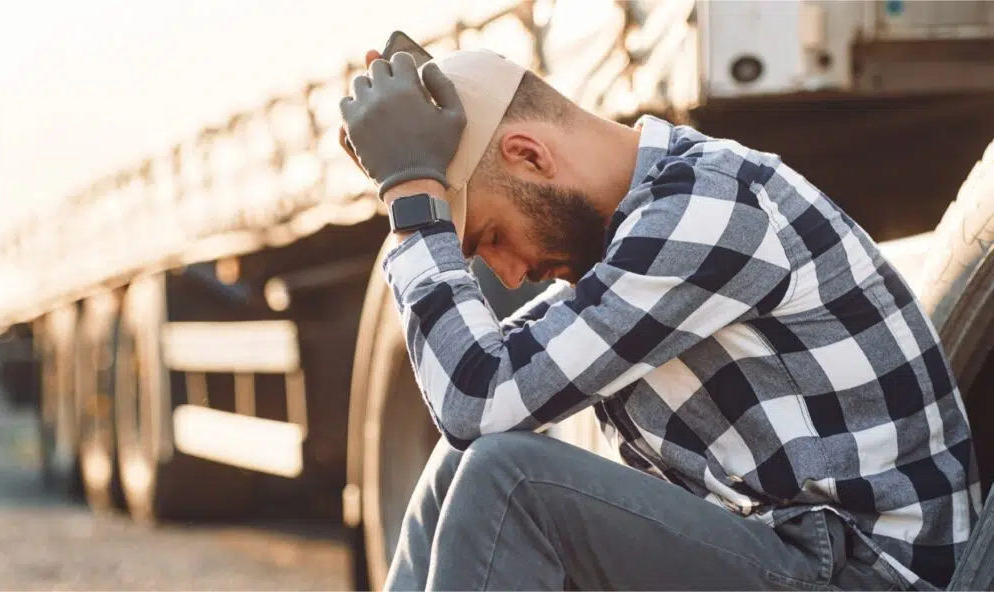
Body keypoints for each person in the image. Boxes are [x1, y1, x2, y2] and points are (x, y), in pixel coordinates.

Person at [339, 47, 981, 591]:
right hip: (796, 552)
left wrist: (414, 208)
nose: (507, 276)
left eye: (493, 237)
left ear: (530, 156)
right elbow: (478, 384)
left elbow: (476, 397)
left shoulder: (708, 212)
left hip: (867, 574)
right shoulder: (636, 242)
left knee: (508, 481)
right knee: (462, 465)